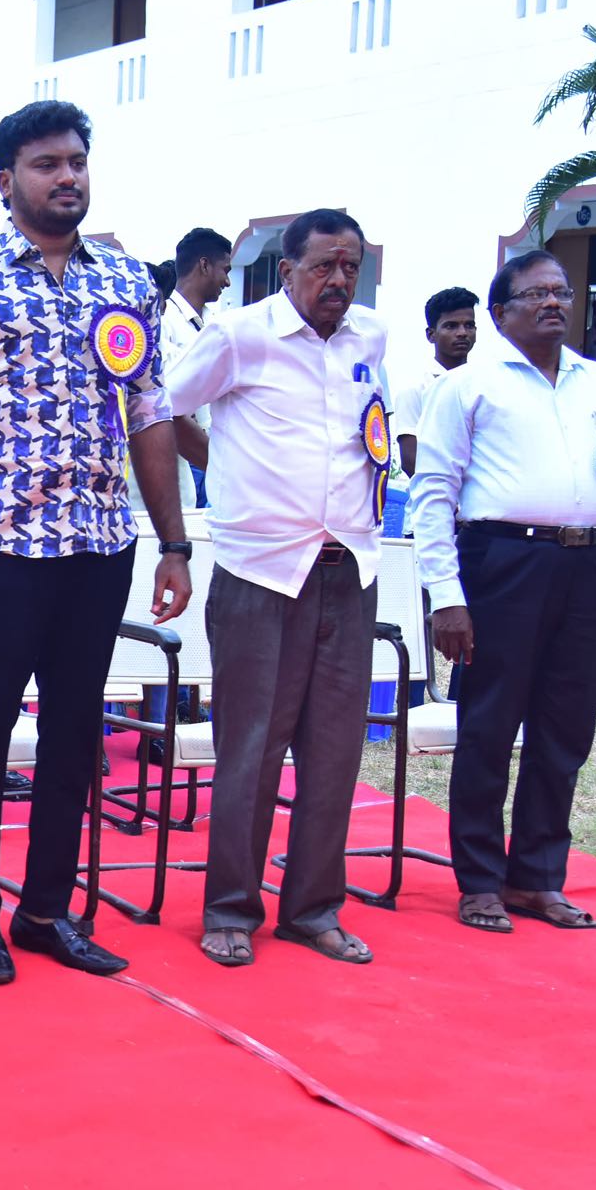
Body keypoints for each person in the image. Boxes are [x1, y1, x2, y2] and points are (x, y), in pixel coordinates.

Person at [0, 100, 190, 986]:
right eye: (46, 164)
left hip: (100, 545)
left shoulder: (128, 282)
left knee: (74, 735)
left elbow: (149, 412)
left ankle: (44, 911)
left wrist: (174, 543)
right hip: (0, 546)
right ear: (6, 182)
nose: (67, 176)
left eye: (76, 161)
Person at [411, 251, 596, 934]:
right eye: (537, 294)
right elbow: (433, 494)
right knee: (489, 729)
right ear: (500, 313)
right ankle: (480, 883)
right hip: (503, 565)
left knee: (564, 730)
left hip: (589, 568)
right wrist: (446, 596)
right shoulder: (467, 386)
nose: (554, 303)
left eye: (562, 292)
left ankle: (536, 879)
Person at [169, 208, 387, 969]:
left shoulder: (371, 337)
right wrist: (221, 463)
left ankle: (313, 910)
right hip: (261, 573)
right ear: (287, 270)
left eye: (351, 267)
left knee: (334, 753)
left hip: (348, 570)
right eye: (324, 266)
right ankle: (230, 909)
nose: (339, 280)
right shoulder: (240, 335)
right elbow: (160, 406)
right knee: (251, 750)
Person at [163, 227, 233, 510]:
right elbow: (163, 400)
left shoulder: (216, 325)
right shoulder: (164, 319)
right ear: (204, 265)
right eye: (225, 270)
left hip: (212, 448)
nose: (228, 281)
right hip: (182, 450)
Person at [394, 287, 479, 478]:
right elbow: (410, 461)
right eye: (451, 326)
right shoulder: (416, 388)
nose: (462, 333)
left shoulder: (483, 385)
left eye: (469, 325)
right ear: (431, 334)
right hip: (439, 494)